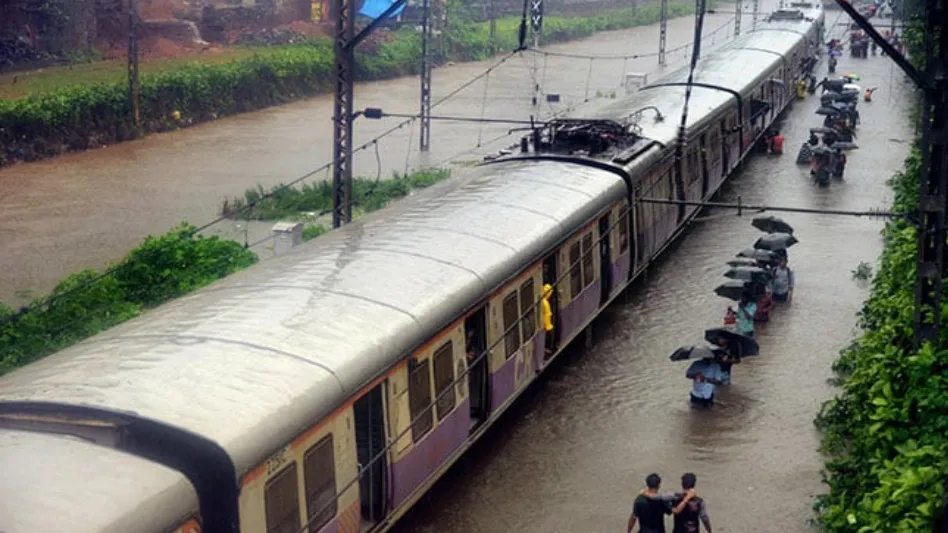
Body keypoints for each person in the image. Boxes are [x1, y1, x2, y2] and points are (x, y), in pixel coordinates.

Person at [541, 284, 555, 356]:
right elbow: (547, 315)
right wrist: (548, 326)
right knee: (549, 335)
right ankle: (547, 349)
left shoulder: (542, 301)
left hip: (544, 323)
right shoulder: (545, 303)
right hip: (546, 325)